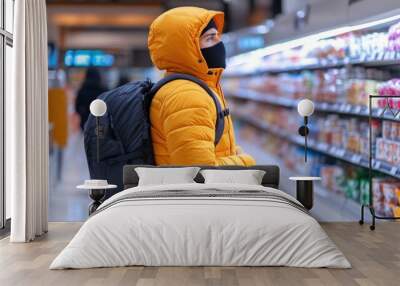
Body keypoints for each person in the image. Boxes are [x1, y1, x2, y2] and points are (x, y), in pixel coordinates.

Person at [148, 7, 255, 166]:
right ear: (186, 49)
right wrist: (246, 162)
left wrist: (233, 152)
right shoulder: (187, 96)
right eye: (210, 38)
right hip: (199, 191)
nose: (219, 43)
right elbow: (199, 174)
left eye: (218, 36)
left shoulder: (188, 88)